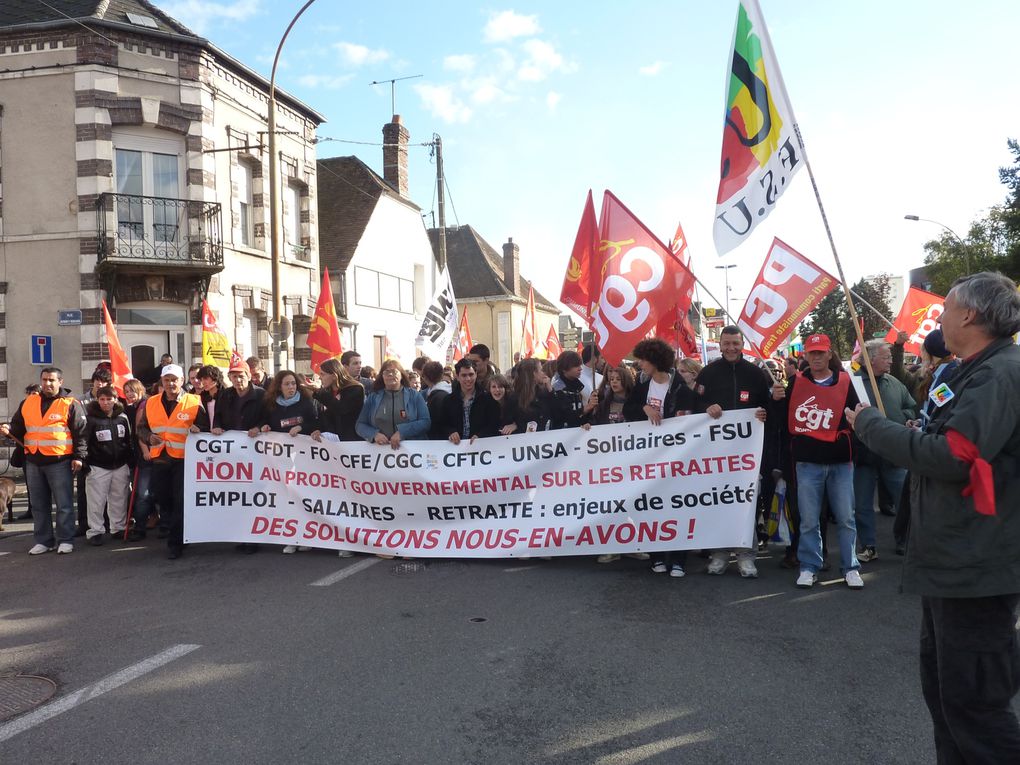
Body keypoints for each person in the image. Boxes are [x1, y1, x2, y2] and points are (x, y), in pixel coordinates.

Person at [847, 272, 1020, 762]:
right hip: (954, 564)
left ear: (970, 315)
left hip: (976, 567)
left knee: (976, 710)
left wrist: (872, 427)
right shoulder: (975, 368)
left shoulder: (1000, 371)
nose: (939, 315)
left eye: (948, 306)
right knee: (949, 702)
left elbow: (952, 456)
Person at [774, 333, 863, 590]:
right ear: (805, 355)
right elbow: (783, 420)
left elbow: (858, 417)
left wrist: (848, 443)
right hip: (808, 462)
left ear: (829, 354)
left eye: (820, 352)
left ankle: (850, 566)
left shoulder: (846, 382)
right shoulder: (795, 383)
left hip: (839, 462)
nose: (816, 357)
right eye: (811, 353)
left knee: (846, 517)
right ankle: (809, 566)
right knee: (809, 519)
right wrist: (775, 401)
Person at [693, 325, 770, 578]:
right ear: (721, 343)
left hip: (748, 455)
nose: (731, 348)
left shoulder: (756, 374)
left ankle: (746, 555)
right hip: (716, 454)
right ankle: (720, 553)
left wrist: (764, 412)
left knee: (748, 502)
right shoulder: (708, 373)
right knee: (719, 501)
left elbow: (769, 407)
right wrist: (707, 407)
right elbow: (694, 405)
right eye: (726, 343)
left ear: (741, 344)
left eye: (735, 343)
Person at [622, 339, 696, 576]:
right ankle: (656, 556)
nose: (640, 364)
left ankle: (678, 559)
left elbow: (692, 416)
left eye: (643, 359)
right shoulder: (642, 389)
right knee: (651, 507)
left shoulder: (680, 388)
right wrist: (644, 408)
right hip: (649, 459)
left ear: (654, 360)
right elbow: (628, 410)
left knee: (676, 507)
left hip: (676, 459)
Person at [2, 368, 87, 554]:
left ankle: (65, 539)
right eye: (44, 379)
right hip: (33, 460)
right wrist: (8, 429)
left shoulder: (71, 403)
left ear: (60, 382)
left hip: (60, 461)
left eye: (51, 380)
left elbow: (81, 433)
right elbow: (18, 428)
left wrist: (79, 457)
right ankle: (44, 541)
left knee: (63, 504)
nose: (47, 384)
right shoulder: (28, 402)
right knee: (39, 505)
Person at [851, 340, 917, 562]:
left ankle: (905, 541)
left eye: (890, 356)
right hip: (864, 454)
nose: (891, 360)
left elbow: (911, 407)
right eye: (886, 356)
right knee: (862, 504)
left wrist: (906, 420)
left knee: (904, 500)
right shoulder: (853, 384)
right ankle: (868, 545)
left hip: (893, 454)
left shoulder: (894, 383)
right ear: (870, 359)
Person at [136, 364, 207, 559]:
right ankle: (176, 532)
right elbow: (141, 429)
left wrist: (198, 429)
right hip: (160, 459)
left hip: (184, 460)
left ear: (182, 381)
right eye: (167, 380)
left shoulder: (194, 401)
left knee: (180, 501)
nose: (170, 384)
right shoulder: (151, 403)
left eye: (174, 379)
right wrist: (149, 438)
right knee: (163, 499)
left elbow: (205, 427)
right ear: (162, 382)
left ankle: (176, 543)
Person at [251, 370, 323, 554]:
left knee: (303, 498)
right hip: (280, 460)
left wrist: (302, 427)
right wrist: (263, 427)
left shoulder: (306, 402)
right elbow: (266, 422)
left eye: (293, 384)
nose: (291, 387)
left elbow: (316, 423)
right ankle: (292, 537)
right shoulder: (271, 405)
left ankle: (307, 535)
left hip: (303, 459)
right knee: (287, 499)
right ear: (279, 387)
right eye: (287, 384)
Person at [82, 385, 134, 544]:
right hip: (98, 466)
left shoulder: (123, 417)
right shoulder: (90, 418)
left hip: (120, 465)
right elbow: (83, 442)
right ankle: (95, 532)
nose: (105, 403)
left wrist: (130, 459)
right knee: (96, 501)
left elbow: (128, 440)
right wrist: (85, 462)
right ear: (97, 400)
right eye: (102, 399)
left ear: (115, 400)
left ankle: (118, 528)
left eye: (109, 399)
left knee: (119, 498)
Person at [356, 359, 430, 447]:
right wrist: (374, 434)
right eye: (387, 372)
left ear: (401, 375)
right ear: (382, 376)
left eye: (394, 372)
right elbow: (360, 425)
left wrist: (402, 432)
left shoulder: (414, 396)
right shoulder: (373, 397)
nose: (390, 374)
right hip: (380, 451)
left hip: (411, 451)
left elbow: (425, 422)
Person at [438, 358, 501, 444]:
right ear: (457, 376)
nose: (468, 379)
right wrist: (451, 432)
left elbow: (494, 424)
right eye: (464, 375)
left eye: (471, 374)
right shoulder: (448, 400)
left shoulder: (487, 398)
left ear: (476, 374)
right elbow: (442, 424)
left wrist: (480, 435)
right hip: (456, 448)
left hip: (480, 447)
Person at [122, 378, 155, 539]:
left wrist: (144, 451)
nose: (129, 394)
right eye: (126, 391)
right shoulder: (135, 406)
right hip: (144, 455)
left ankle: (140, 527)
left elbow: (140, 432)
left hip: (147, 456)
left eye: (131, 391)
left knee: (143, 493)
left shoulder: (143, 406)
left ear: (140, 390)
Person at [313, 358, 365, 442]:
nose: (320, 378)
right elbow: (324, 416)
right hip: (332, 443)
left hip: (351, 442)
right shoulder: (326, 392)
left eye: (323, 374)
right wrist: (319, 429)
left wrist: (319, 392)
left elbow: (341, 408)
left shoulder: (355, 388)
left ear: (334, 376)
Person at [549, 351, 597, 430]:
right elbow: (565, 417)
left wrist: (586, 422)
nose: (580, 369)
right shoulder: (557, 388)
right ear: (564, 368)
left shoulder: (576, 387)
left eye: (580, 365)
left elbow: (578, 418)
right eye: (576, 366)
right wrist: (586, 408)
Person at [512, 358, 552, 433]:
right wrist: (516, 425)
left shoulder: (544, 393)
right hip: (525, 441)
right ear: (533, 373)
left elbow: (556, 413)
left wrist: (550, 390)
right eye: (541, 370)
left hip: (545, 439)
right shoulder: (515, 397)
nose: (544, 373)